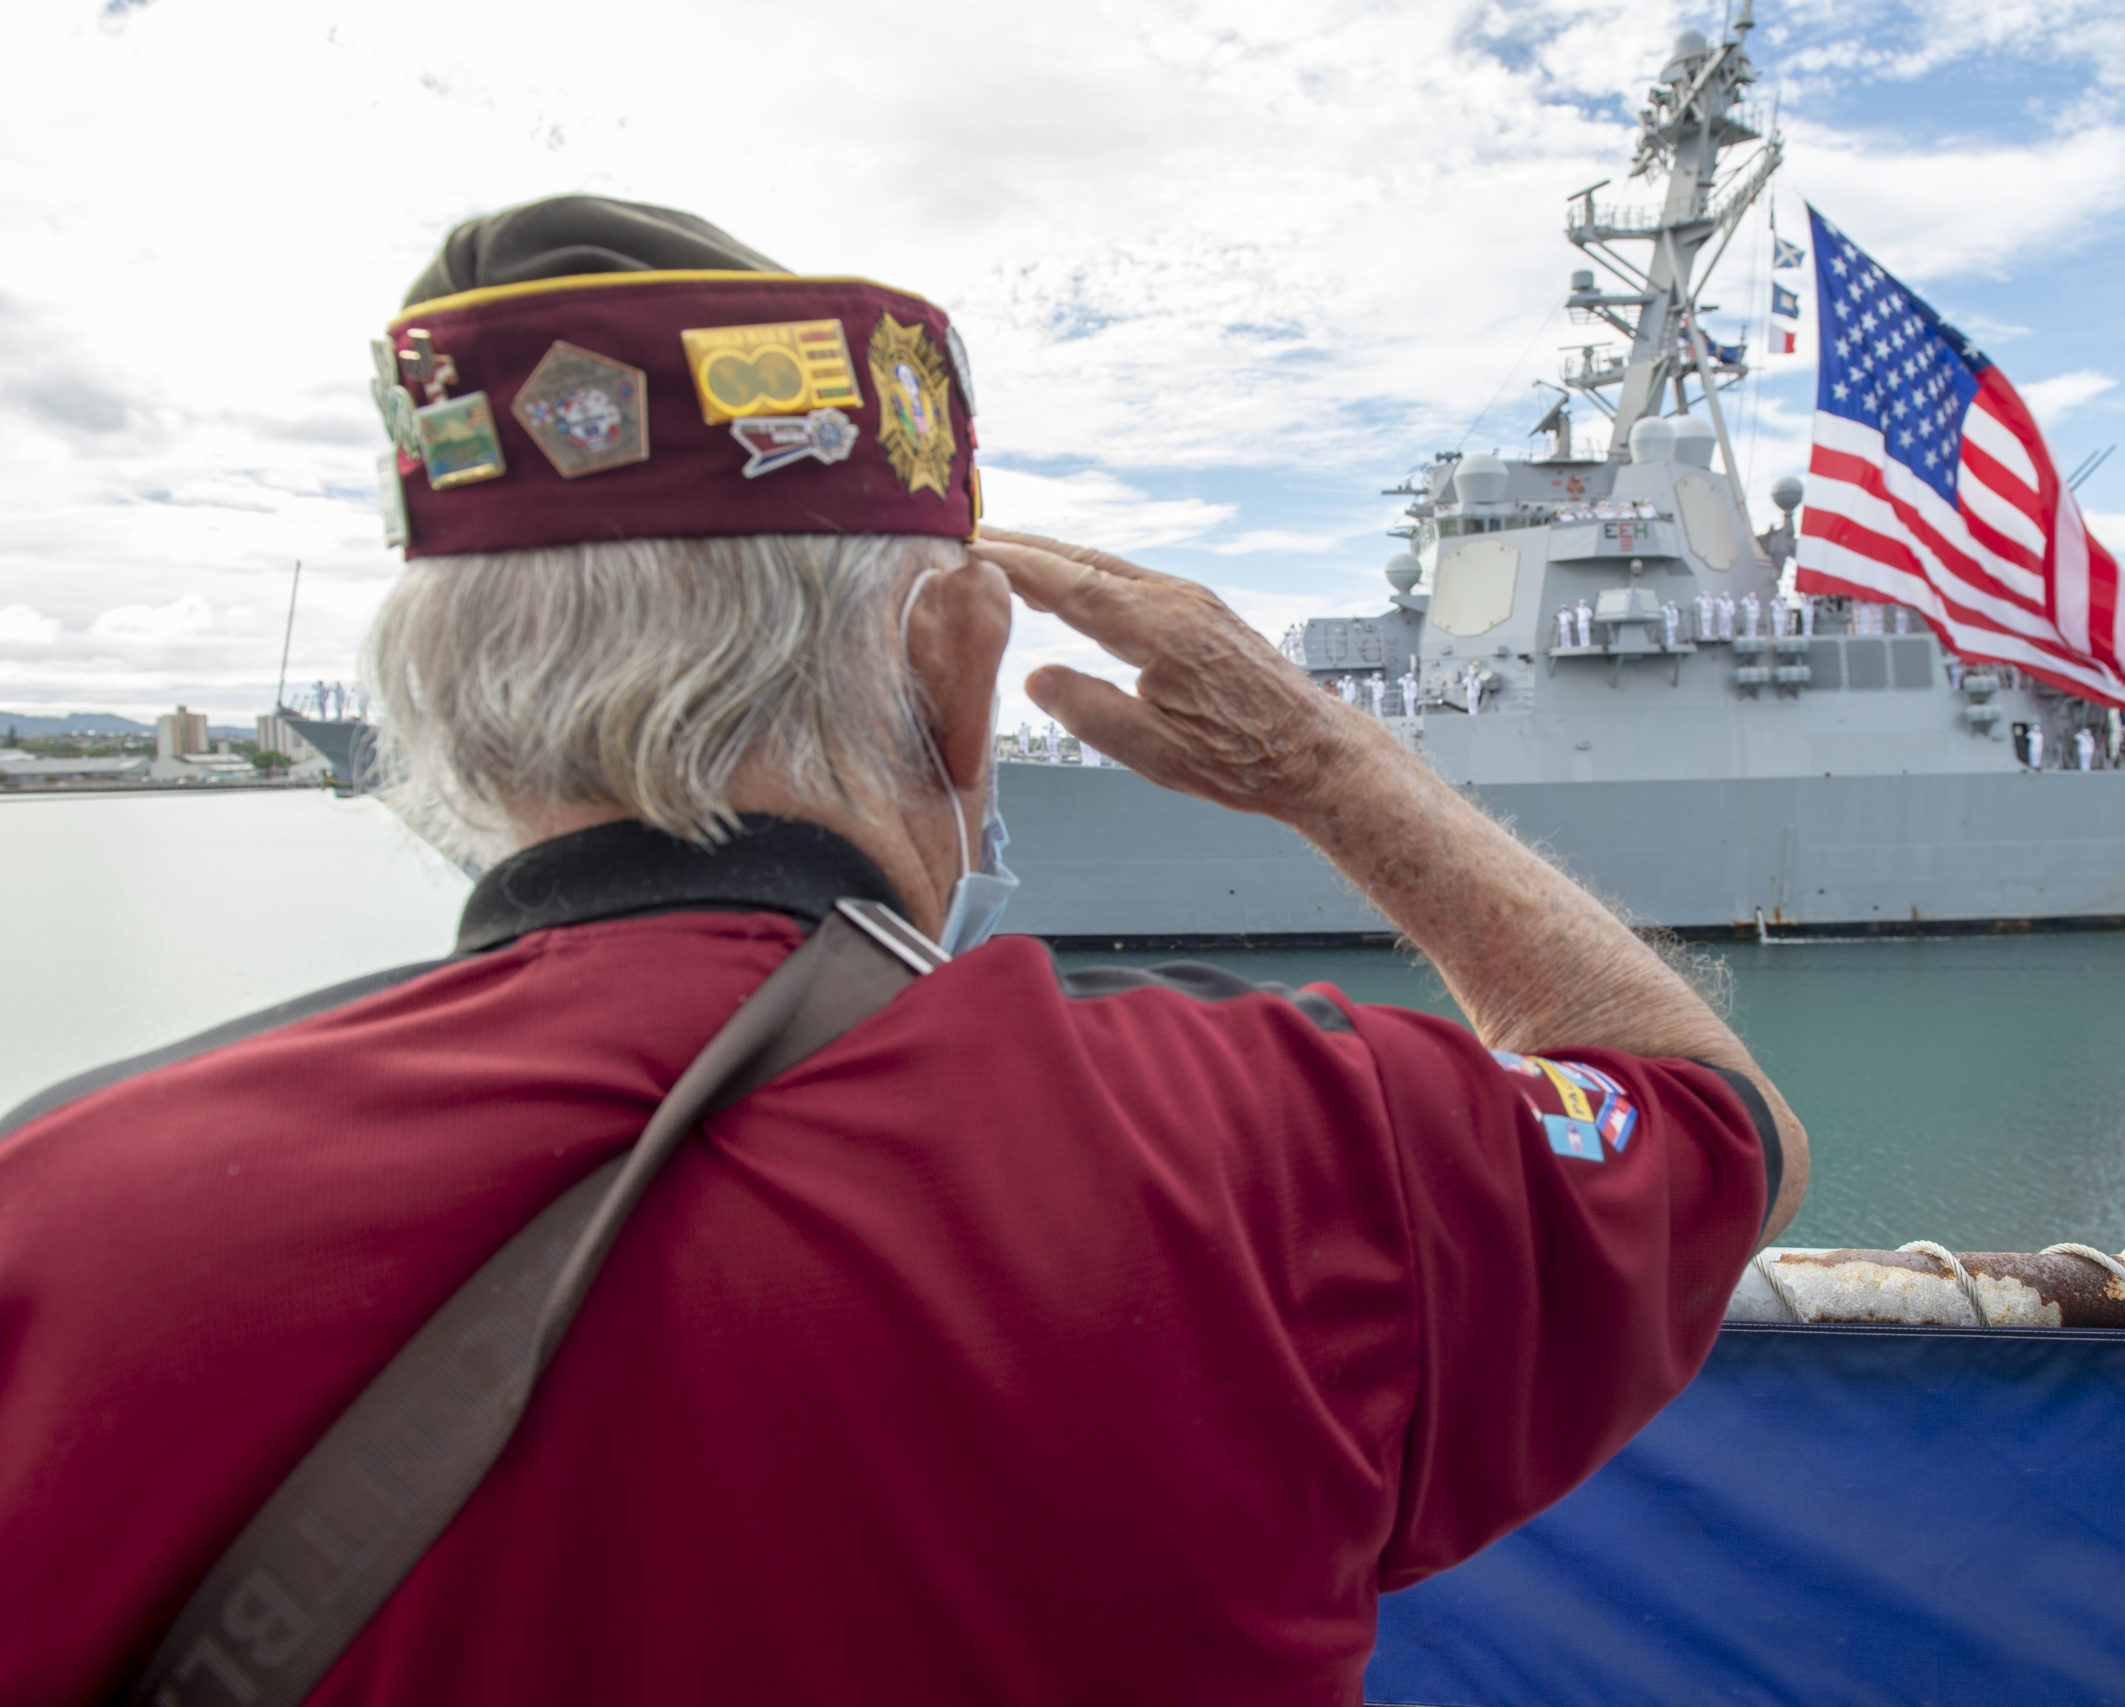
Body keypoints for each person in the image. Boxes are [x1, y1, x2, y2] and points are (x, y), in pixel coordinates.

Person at [0, 196, 1804, 1706]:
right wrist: (1334, 767)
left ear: (445, 719)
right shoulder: (1288, 1146)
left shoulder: (53, 1220)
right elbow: (1718, 1130)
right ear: (956, 667)